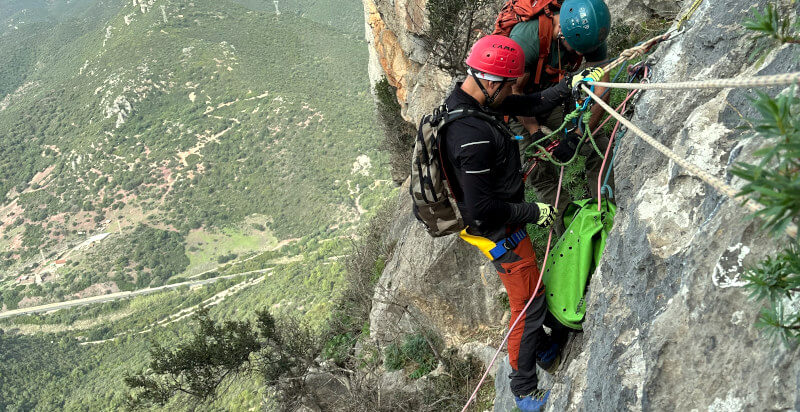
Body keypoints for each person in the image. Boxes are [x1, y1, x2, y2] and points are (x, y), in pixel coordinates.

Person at [441, 34, 596, 412]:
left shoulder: (472, 101)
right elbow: (481, 210)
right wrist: (532, 212)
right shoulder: (470, 135)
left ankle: (543, 349)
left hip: (506, 228)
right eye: (507, 83)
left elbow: (529, 102)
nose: (511, 88)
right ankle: (524, 390)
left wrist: (567, 87)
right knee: (528, 308)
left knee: (530, 293)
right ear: (490, 81)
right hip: (501, 233)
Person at [507, 0, 614, 235]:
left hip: (553, 95)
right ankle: (569, 231)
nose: (578, 54)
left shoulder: (589, 35)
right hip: (518, 106)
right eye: (574, 47)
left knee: (598, 145)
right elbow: (514, 94)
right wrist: (535, 132)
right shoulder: (526, 41)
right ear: (561, 31)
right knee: (540, 171)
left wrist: (578, 134)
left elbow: (602, 87)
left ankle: (606, 211)